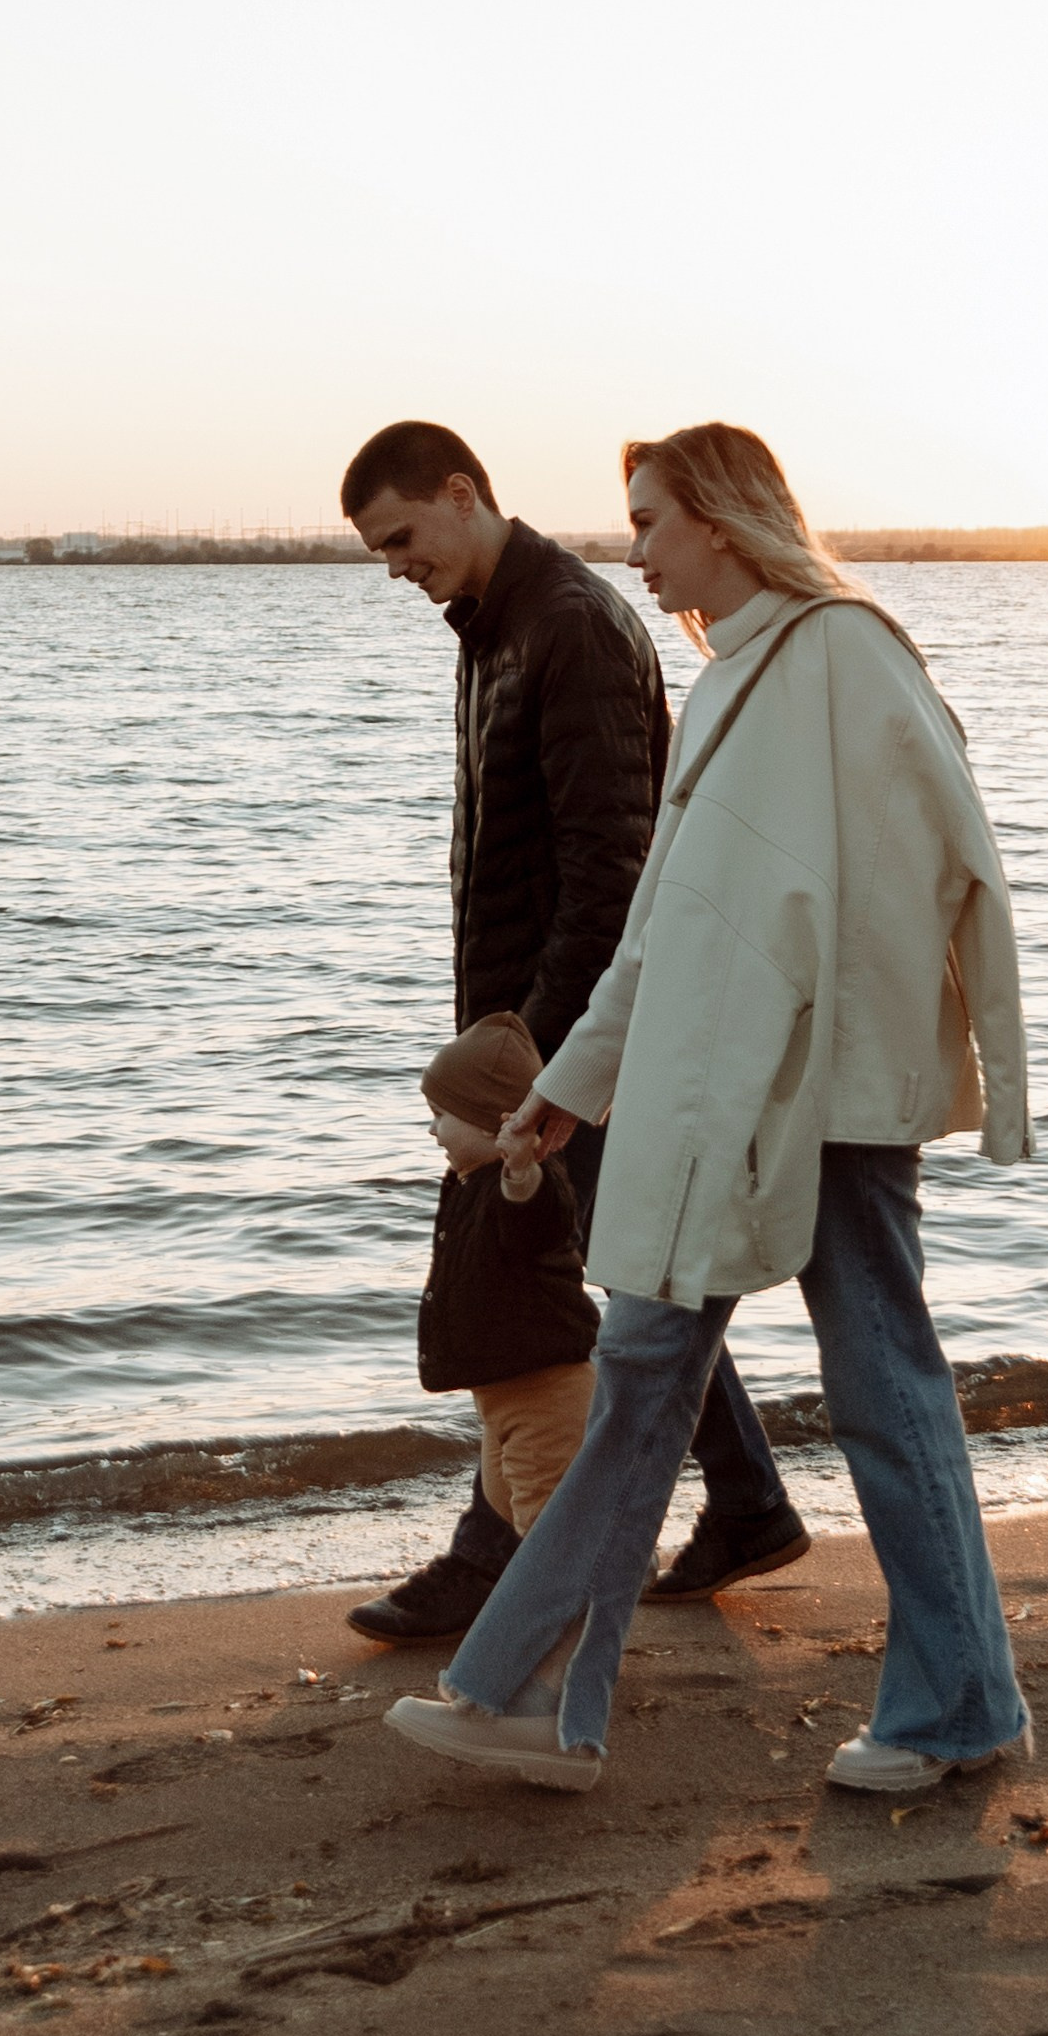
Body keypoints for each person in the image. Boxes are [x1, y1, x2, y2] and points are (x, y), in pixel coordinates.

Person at [383, 420, 1033, 1800]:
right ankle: (527, 1692)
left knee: (878, 1388)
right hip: (708, 1106)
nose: (635, 544)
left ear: (726, 521)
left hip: (824, 1110)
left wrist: (854, 1075)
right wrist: (566, 1089)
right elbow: (661, 933)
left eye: (653, 516)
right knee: (640, 1381)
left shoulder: (846, 653)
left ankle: (958, 1705)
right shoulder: (735, 673)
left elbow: (939, 861)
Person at [339, 418, 806, 1643]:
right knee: (633, 1281)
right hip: (542, 1026)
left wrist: (535, 1052)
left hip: (578, 1036)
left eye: (401, 537)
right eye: (378, 551)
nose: (396, 565)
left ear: (459, 494)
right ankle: (745, 1503)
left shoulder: (574, 627)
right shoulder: (496, 628)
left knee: (530, 1285)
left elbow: (613, 872)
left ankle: (495, 1559)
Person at [417, 1010, 599, 1543]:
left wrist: (522, 1168)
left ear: (496, 1122)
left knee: (549, 1528)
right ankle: (606, 1572)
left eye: (440, 1115)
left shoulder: (526, 1184)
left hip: (548, 1396)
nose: (432, 1130)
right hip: (500, 1399)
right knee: (509, 1506)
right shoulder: (469, 1182)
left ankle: (575, 1609)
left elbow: (540, 1219)